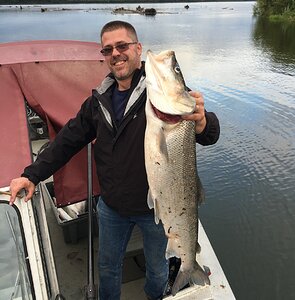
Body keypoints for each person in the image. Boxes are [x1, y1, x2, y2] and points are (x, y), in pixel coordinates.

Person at [9, 20, 220, 300]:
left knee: (156, 268)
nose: (116, 54)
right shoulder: (98, 100)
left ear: (137, 48)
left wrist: (203, 121)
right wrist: (32, 174)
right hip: (111, 207)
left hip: (156, 209)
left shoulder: (162, 93)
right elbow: (67, 140)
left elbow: (209, 133)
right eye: (108, 50)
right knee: (107, 267)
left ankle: (156, 295)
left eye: (122, 46)